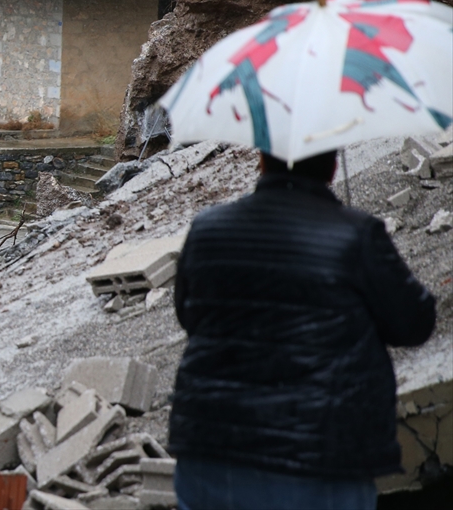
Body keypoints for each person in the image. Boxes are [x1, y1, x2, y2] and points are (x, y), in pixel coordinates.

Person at [169, 150, 436, 510]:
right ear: (332, 167)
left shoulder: (207, 229)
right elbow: (414, 324)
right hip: (321, 456)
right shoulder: (355, 234)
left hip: (210, 451)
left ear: (262, 163)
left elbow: (189, 316)